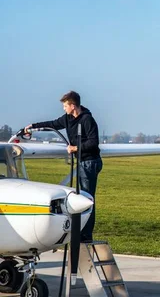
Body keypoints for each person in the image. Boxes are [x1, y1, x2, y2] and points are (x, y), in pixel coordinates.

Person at [26, 91, 102, 243]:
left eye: (65, 106)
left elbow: (94, 142)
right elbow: (52, 124)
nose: (64, 108)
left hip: (90, 162)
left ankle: (85, 234)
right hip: (81, 161)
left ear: (73, 106)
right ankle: (81, 232)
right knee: (83, 197)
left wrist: (75, 148)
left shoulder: (88, 119)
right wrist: (32, 127)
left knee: (86, 199)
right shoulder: (67, 119)